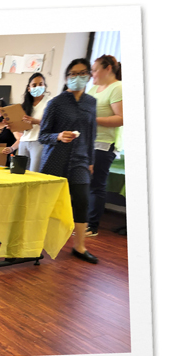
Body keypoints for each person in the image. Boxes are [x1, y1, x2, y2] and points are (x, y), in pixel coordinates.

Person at [38, 58, 98, 264]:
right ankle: (36, 243)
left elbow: (91, 134)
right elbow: (42, 135)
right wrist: (58, 136)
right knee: (46, 204)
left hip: (81, 160)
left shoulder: (92, 102)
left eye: (83, 73)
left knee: (82, 201)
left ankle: (79, 247)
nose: (78, 77)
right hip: (55, 159)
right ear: (66, 77)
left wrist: (91, 161)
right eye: (73, 74)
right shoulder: (55, 103)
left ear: (89, 76)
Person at [85, 55, 123, 237]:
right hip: (86, 142)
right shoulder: (94, 89)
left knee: (96, 185)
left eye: (95, 70)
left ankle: (92, 226)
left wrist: (93, 120)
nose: (92, 74)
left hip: (103, 144)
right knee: (84, 184)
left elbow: (121, 118)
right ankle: (82, 222)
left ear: (108, 68)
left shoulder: (118, 88)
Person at [18, 73, 51, 172]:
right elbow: (22, 128)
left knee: (34, 172)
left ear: (44, 86)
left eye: (41, 84)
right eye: (34, 85)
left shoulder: (50, 102)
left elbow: (52, 124)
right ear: (29, 88)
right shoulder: (25, 105)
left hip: (39, 141)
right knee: (19, 172)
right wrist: (12, 125)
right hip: (24, 141)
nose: (38, 87)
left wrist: (36, 121)